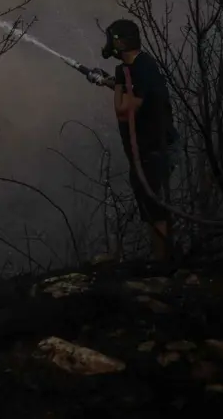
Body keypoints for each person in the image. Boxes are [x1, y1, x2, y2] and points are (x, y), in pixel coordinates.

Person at [91, 18, 177, 263]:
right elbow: (134, 94)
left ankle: (165, 263)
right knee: (149, 204)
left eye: (112, 39)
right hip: (147, 149)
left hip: (155, 148)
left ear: (120, 42)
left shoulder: (142, 68)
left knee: (154, 205)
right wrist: (109, 81)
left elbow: (124, 109)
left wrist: (117, 80)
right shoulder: (136, 68)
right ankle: (164, 260)